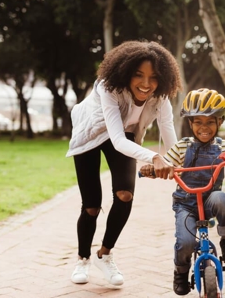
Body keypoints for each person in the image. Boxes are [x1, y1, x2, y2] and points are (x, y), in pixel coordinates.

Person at [66, 40, 183, 286]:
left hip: (124, 134)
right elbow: (117, 140)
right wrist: (154, 156)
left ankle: (104, 255)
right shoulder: (108, 88)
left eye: (153, 78)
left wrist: (178, 161)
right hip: (90, 134)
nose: (146, 84)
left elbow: (168, 131)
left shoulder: (160, 97)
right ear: (126, 73)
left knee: (125, 194)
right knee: (91, 207)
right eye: (139, 75)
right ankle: (83, 258)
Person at [139, 88, 225, 295]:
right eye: (198, 122)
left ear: (219, 122)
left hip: (210, 200)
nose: (204, 127)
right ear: (190, 123)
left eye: (210, 122)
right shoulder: (183, 146)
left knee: (223, 198)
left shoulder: (223, 146)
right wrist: (154, 168)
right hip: (186, 204)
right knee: (185, 242)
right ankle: (181, 272)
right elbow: (166, 163)